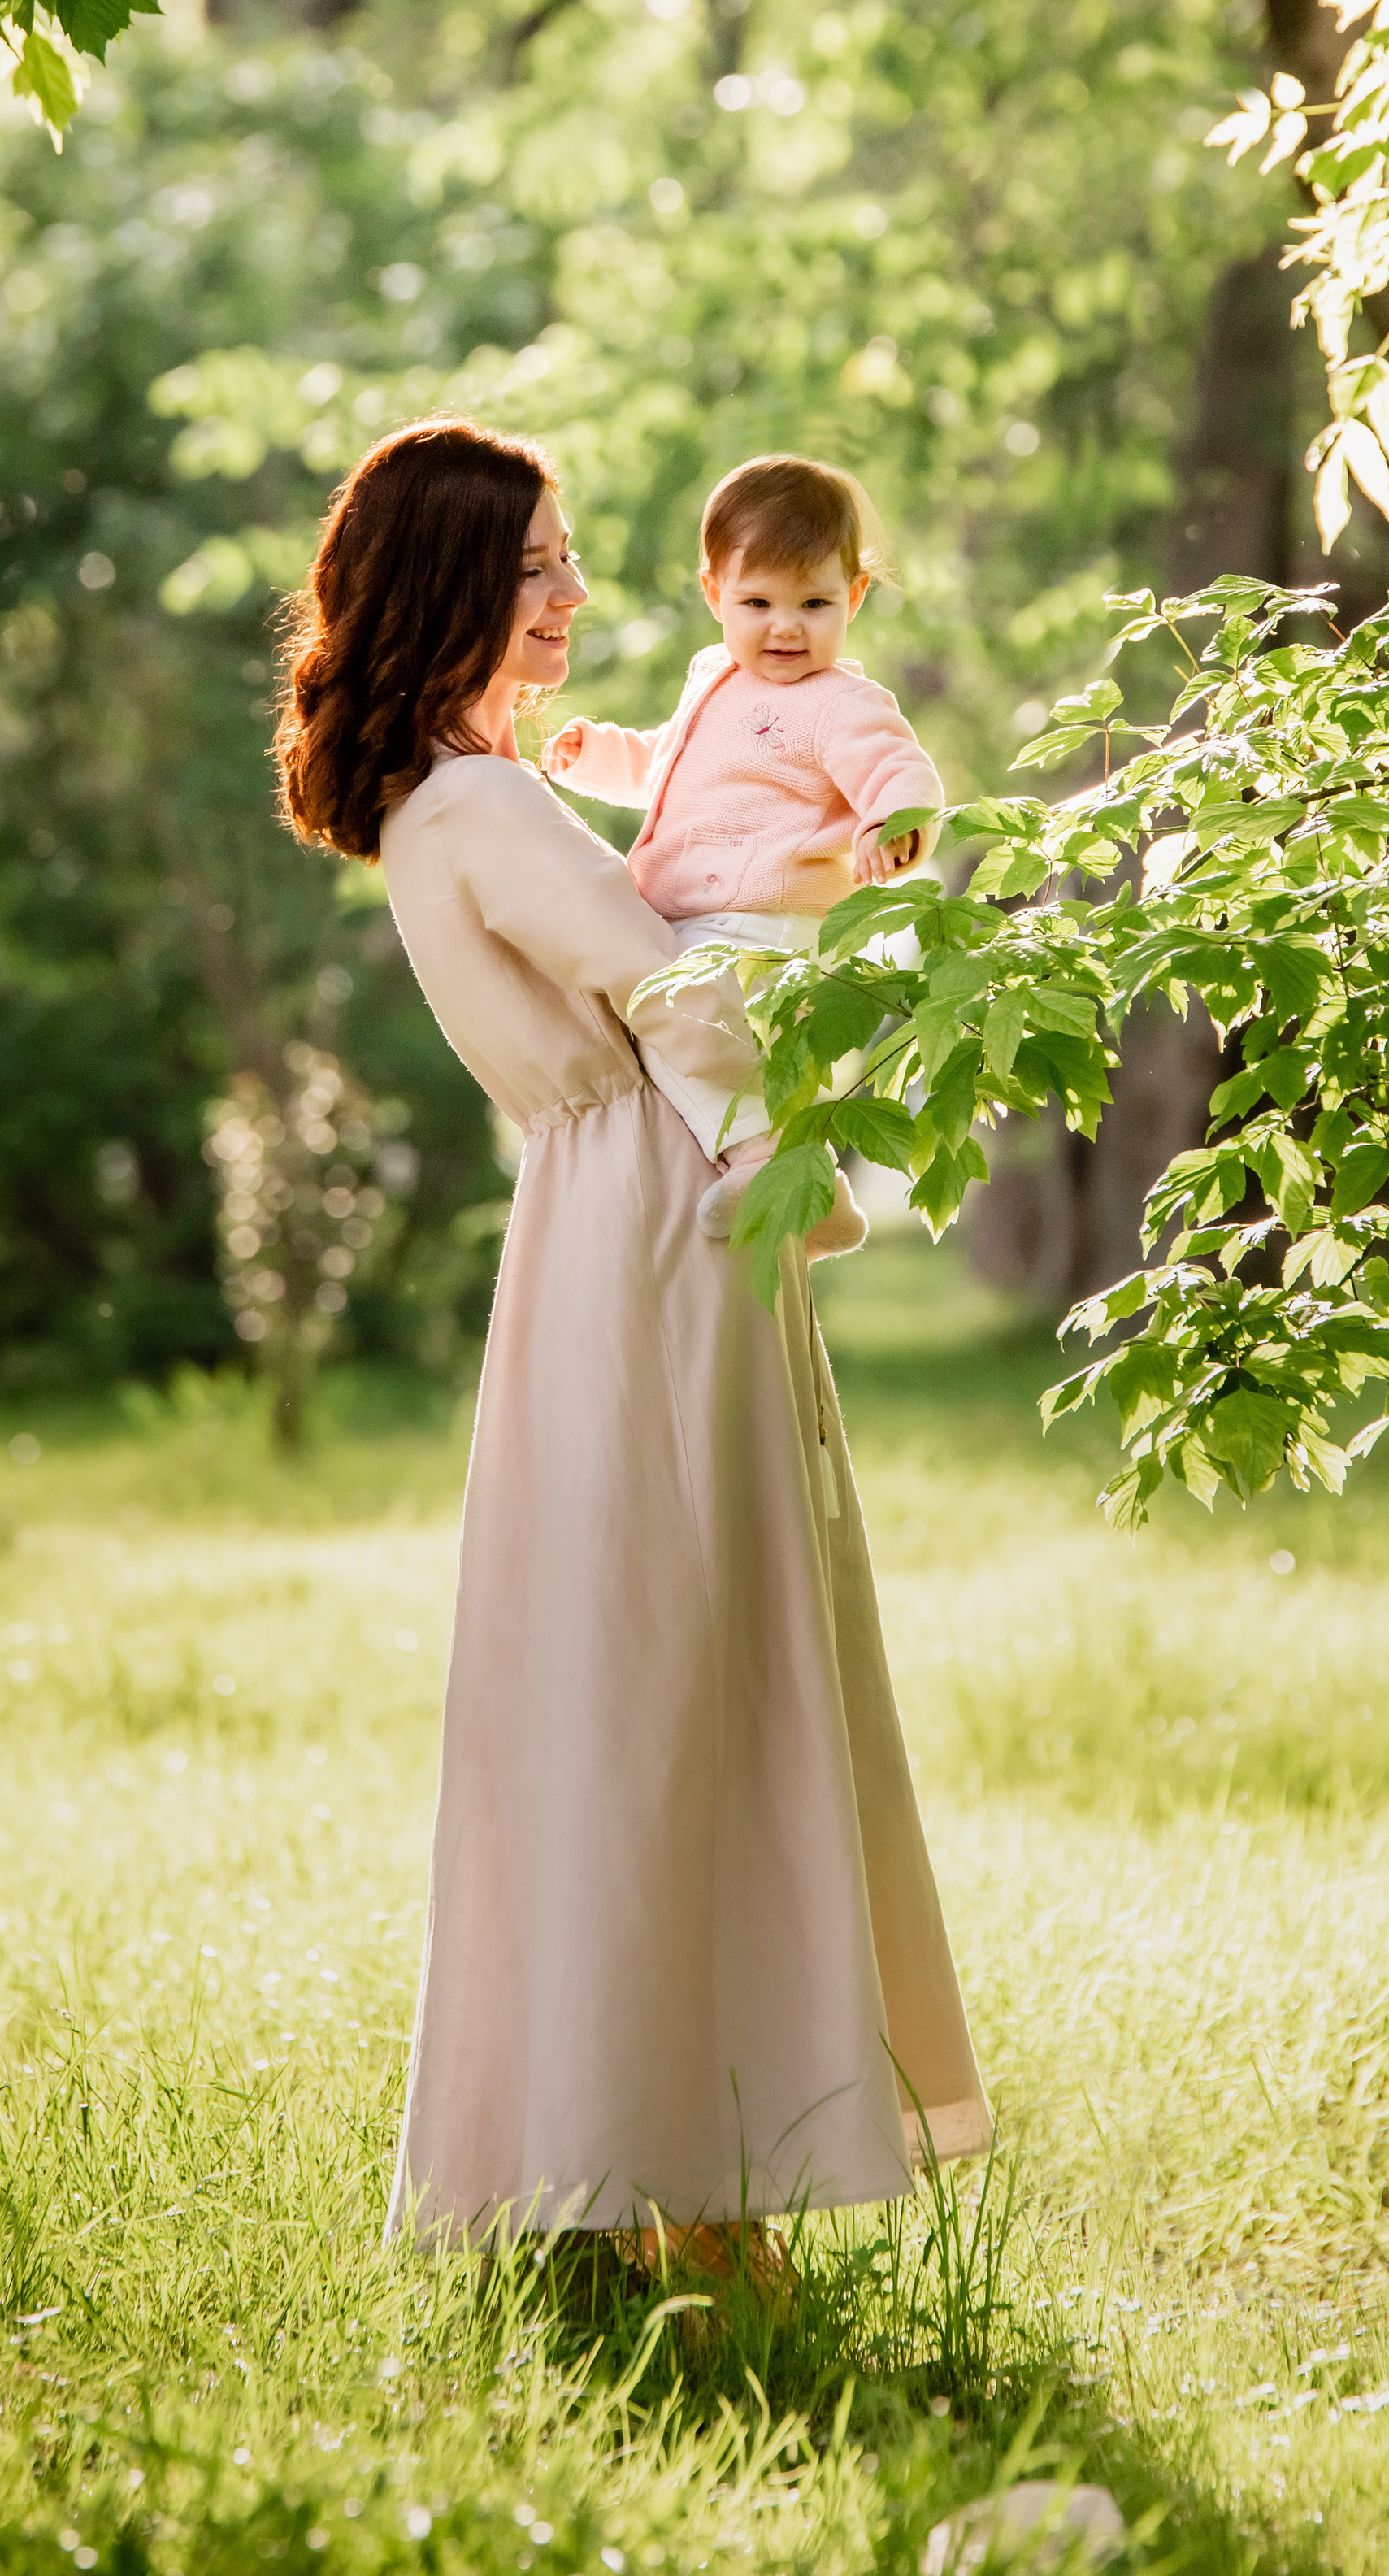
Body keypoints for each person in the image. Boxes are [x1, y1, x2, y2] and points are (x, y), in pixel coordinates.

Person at [273, 418, 991, 2270]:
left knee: (612, 1677)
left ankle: (606, 2170)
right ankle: (699, 2193)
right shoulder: (488, 809)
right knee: (685, 1673)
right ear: (444, 587)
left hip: (594, 1229)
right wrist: (802, 1182)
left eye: (573, 557)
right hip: (663, 1225)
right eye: (535, 567)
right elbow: (677, 991)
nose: (575, 593)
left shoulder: (455, 802)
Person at [543, 454, 944, 1255]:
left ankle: (774, 1167)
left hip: (764, 918)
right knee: (668, 1032)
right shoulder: (712, 677)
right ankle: (786, 1167)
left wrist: (888, 825)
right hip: (703, 917)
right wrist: (597, 757)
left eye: (813, 603)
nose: (785, 627)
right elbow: (668, 764)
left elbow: (902, 773)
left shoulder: (840, 704)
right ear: (713, 595)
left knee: (676, 1019)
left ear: (853, 597)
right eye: (756, 602)